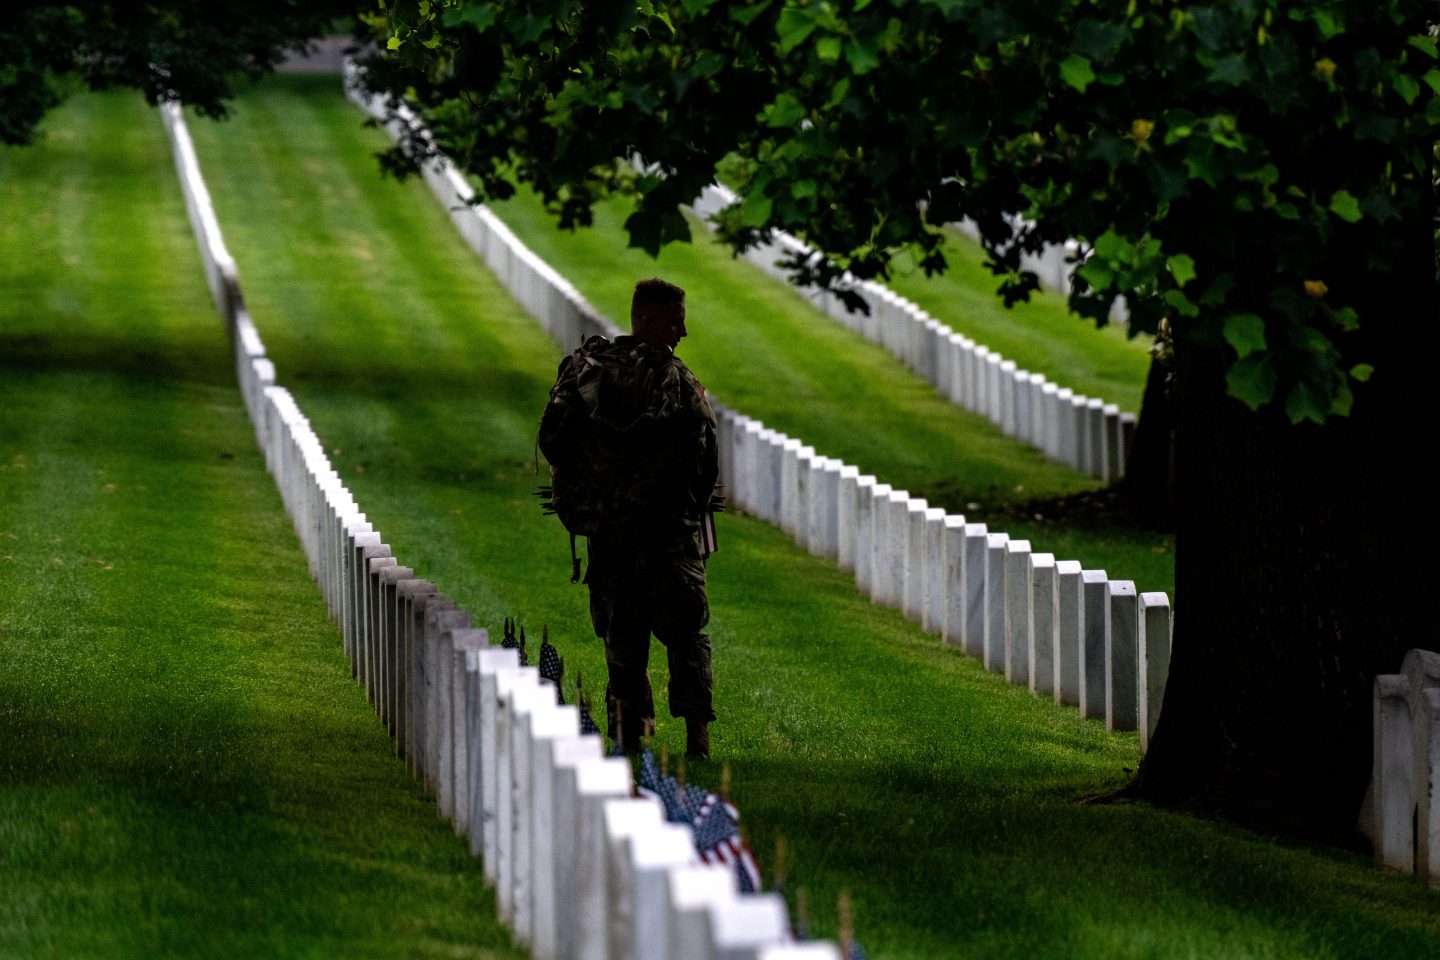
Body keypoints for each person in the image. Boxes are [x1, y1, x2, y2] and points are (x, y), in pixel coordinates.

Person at [538, 278, 719, 758]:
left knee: (624, 637)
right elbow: (705, 461)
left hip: (609, 532)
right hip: (667, 536)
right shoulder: (676, 381)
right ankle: (696, 738)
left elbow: (553, 442)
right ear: (649, 320)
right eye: (675, 320)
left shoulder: (586, 373)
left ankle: (629, 733)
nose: (682, 331)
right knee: (685, 634)